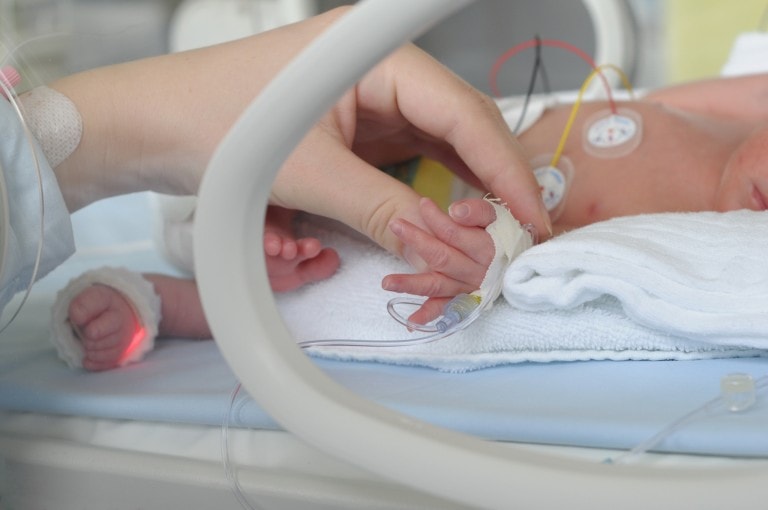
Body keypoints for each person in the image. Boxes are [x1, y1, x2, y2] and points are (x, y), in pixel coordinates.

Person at [64, 67, 768, 370]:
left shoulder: (713, 234)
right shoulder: (740, 115)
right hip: (439, 140)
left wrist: (497, 240)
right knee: (251, 149)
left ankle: (172, 300)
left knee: (328, 279)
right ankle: (244, 217)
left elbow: (574, 257)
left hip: (458, 221)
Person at [12, 7, 546, 370]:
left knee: (263, 280)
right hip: (268, 224)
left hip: (283, 230)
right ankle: (179, 283)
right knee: (255, 271)